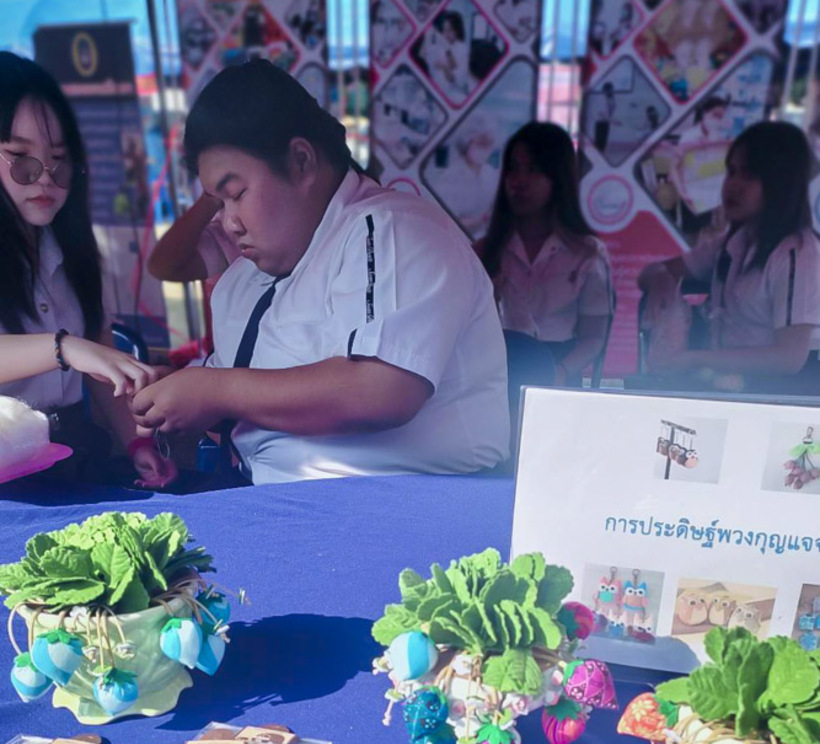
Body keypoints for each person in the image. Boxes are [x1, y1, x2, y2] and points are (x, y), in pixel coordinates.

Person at [130, 61, 509, 483]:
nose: (230, 222)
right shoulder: (253, 271)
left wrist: (213, 390)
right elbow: (170, 269)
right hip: (269, 492)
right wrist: (181, 393)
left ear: (301, 161)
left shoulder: (389, 229)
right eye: (218, 203)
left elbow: (382, 389)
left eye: (236, 193)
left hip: (388, 501)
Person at [0, 52, 173, 487]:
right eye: (20, 158)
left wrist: (136, 444)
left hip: (75, 454)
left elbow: (100, 365)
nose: (45, 177)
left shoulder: (71, 249)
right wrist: (65, 348)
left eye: (59, 160)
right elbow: (82, 351)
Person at [639, 121, 820, 392]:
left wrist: (693, 359)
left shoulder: (798, 253)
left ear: (781, 181)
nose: (733, 185)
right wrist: (661, 281)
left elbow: (789, 358)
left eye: (749, 175)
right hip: (728, 388)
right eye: (732, 172)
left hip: (783, 396)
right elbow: (651, 272)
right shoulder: (733, 242)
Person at [478, 122, 613, 387]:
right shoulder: (485, 251)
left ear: (558, 177)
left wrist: (559, 373)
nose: (519, 181)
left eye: (533, 170)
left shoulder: (587, 254)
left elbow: (593, 338)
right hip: (496, 372)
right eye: (513, 168)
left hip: (560, 372)